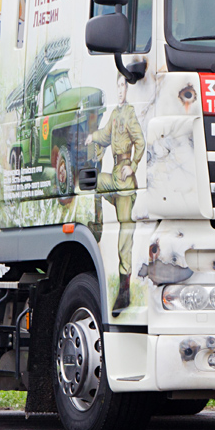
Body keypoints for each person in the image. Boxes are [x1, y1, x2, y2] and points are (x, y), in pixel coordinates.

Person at [87, 74, 145, 317]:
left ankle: (124, 289)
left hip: (125, 181)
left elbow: (140, 141)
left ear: (128, 89)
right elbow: (105, 135)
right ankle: (97, 226)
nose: (120, 89)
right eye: (118, 85)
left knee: (125, 230)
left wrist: (133, 164)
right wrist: (92, 137)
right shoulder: (115, 114)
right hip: (112, 177)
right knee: (93, 183)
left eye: (123, 85)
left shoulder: (130, 113)